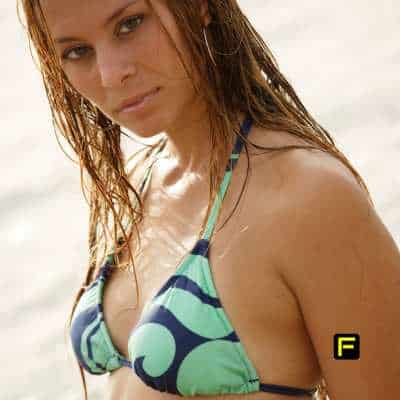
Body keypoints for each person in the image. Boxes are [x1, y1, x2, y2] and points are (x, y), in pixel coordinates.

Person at [18, 1, 400, 399]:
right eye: (77, 52)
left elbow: (355, 350)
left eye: (130, 24)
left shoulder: (307, 197)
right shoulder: (137, 186)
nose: (111, 75)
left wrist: (343, 351)